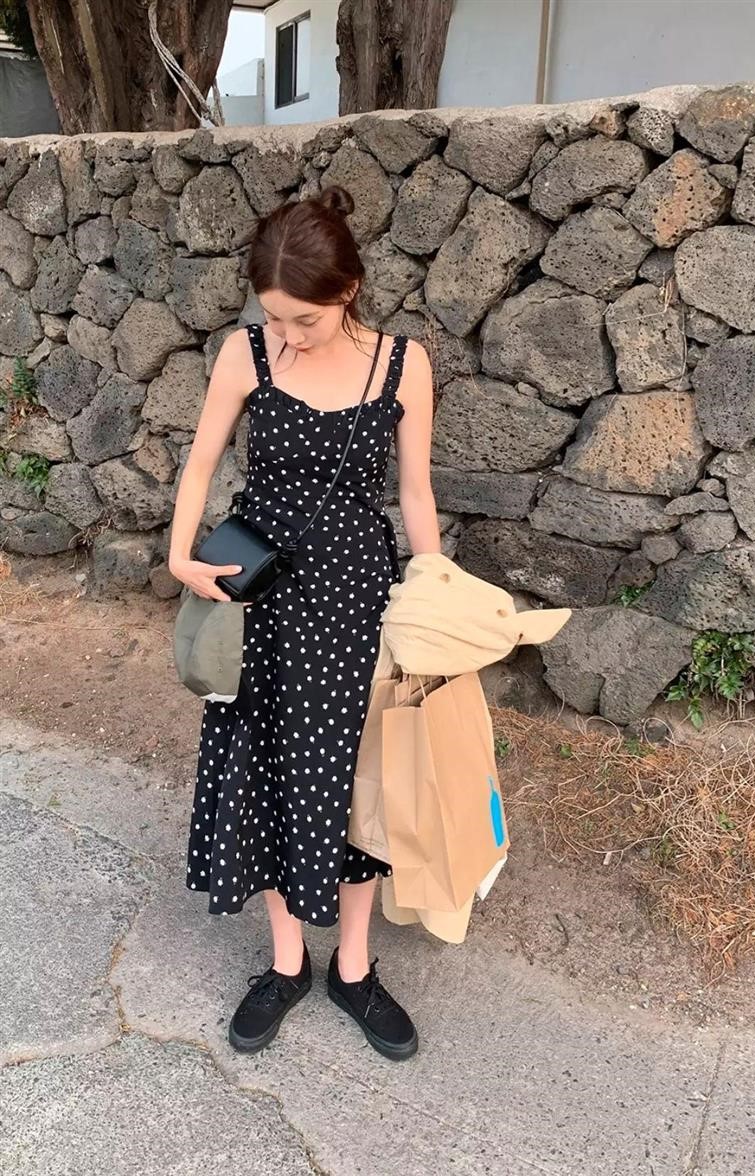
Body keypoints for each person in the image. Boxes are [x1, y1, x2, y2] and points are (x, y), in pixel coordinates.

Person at [168, 183, 440, 1062]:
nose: (286, 334)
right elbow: (201, 462)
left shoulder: (404, 364)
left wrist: (432, 592)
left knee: (355, 776)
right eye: (274, 316)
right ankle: (286, 963)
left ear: (347, 292)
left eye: (304, 320)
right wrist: (179, 554)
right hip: (261, 598)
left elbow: (414, 493)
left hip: (357, 598)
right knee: (268, 767)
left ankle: (353, 969)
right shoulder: (244, 353)